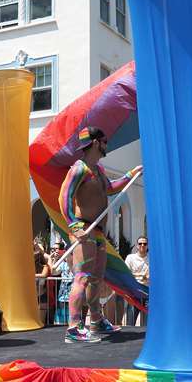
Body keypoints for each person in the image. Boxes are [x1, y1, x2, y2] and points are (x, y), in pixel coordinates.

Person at [58, 125, 142, 343]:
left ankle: (95, 320)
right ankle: (74, 329)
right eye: (104, 142)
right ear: (96, 143)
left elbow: (110, 188)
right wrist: (74, 226)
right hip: (83, 230)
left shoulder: (98, 170)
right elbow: (64, 198)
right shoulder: (79, 169)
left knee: (96, 278)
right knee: (83, 278)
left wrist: (130, 174)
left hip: (97, 232)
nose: (106, 146)